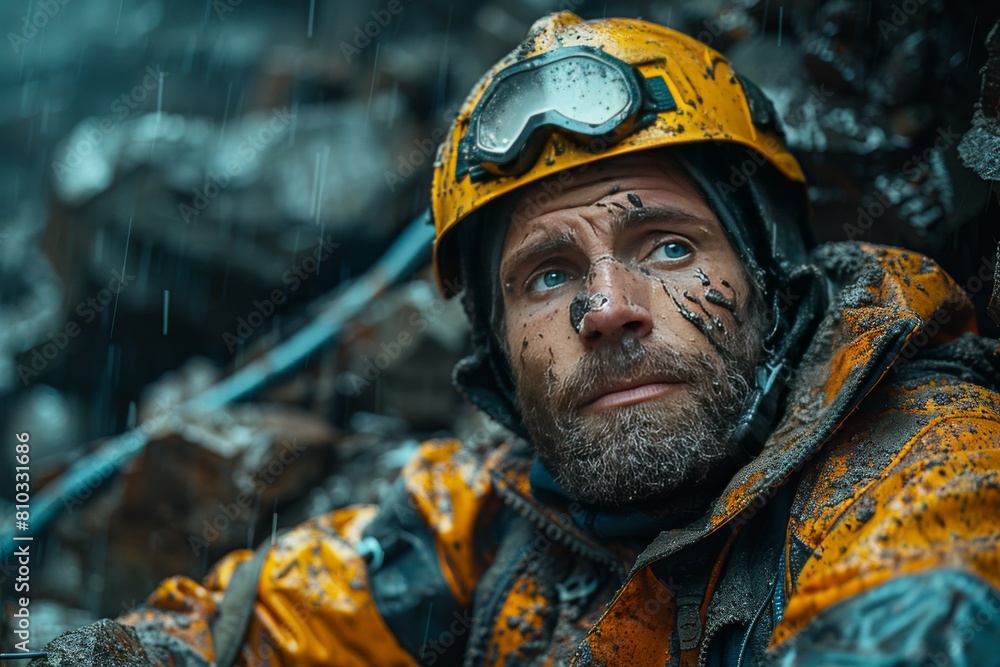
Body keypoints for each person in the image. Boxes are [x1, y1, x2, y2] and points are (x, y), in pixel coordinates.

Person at [34, 12, 1000, 667]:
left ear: (773, 273)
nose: (607, 308)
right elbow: (227, 634)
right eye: (547, 274)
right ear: (494, 351)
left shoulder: (930, 472)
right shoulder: (488, 517)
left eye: (667, 245)